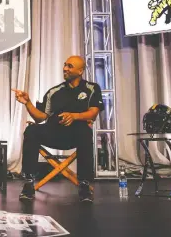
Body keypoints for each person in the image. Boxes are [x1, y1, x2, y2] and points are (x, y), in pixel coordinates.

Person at [12, 55, 104, 202]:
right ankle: (28, 183)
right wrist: (27, 103)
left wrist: (74, 116)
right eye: (65, 65)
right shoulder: (54, 92)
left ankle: (84, 184)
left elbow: (93, 113)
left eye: (70, 66)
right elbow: (41, 117)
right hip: (54, 133)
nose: (65, 68)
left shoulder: (92, 88)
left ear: (80, 71)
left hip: (76, 135)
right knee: (32, 130)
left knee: (85, 132)